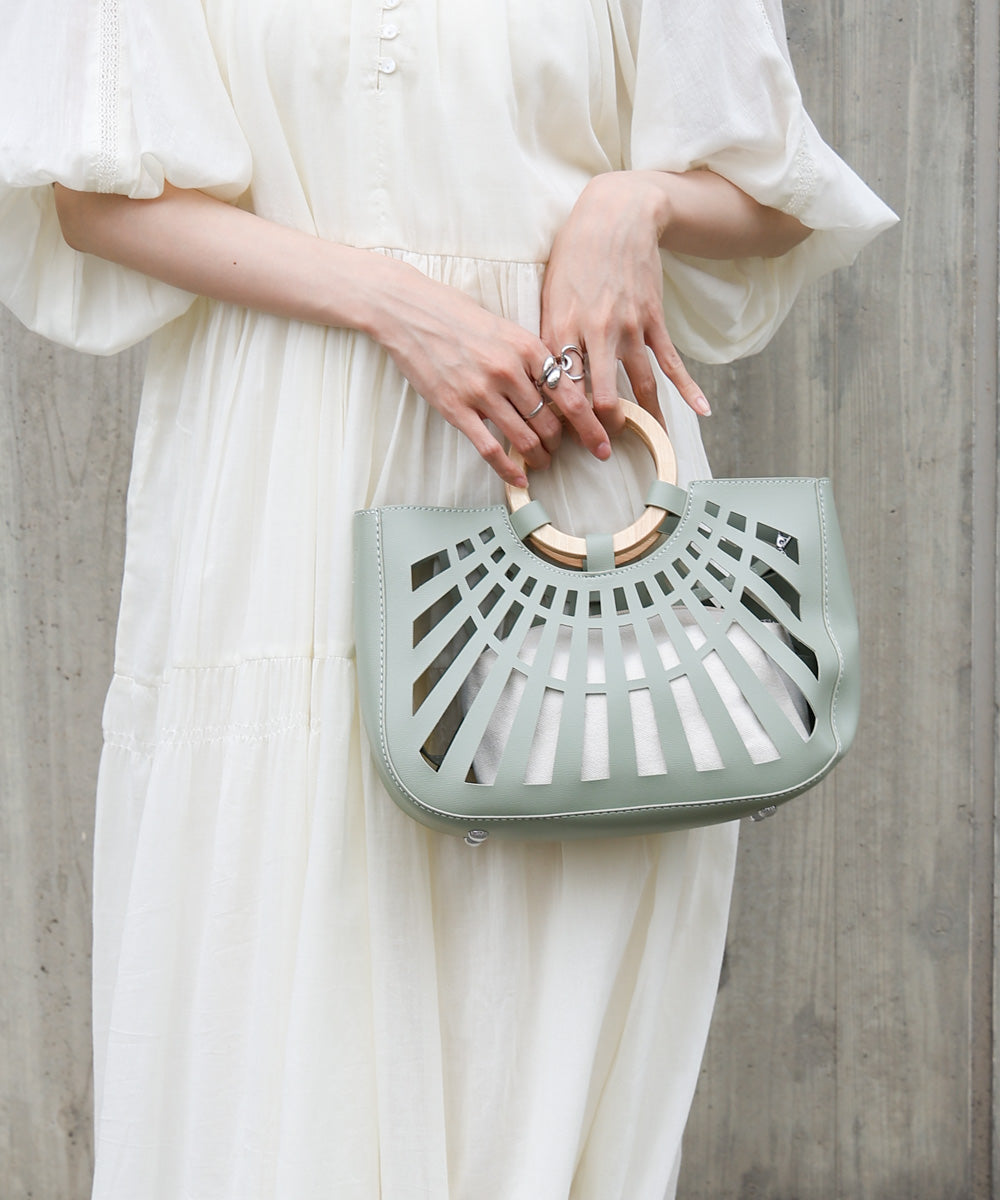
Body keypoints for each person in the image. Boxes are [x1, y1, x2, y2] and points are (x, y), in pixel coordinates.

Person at [0, 1, 896, 1196]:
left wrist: (633, 204)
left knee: (536, 1030)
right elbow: (98, 196)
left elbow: (773, 187)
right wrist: (396, 302)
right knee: (281, 997)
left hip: (566, 499)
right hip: (280, 507)